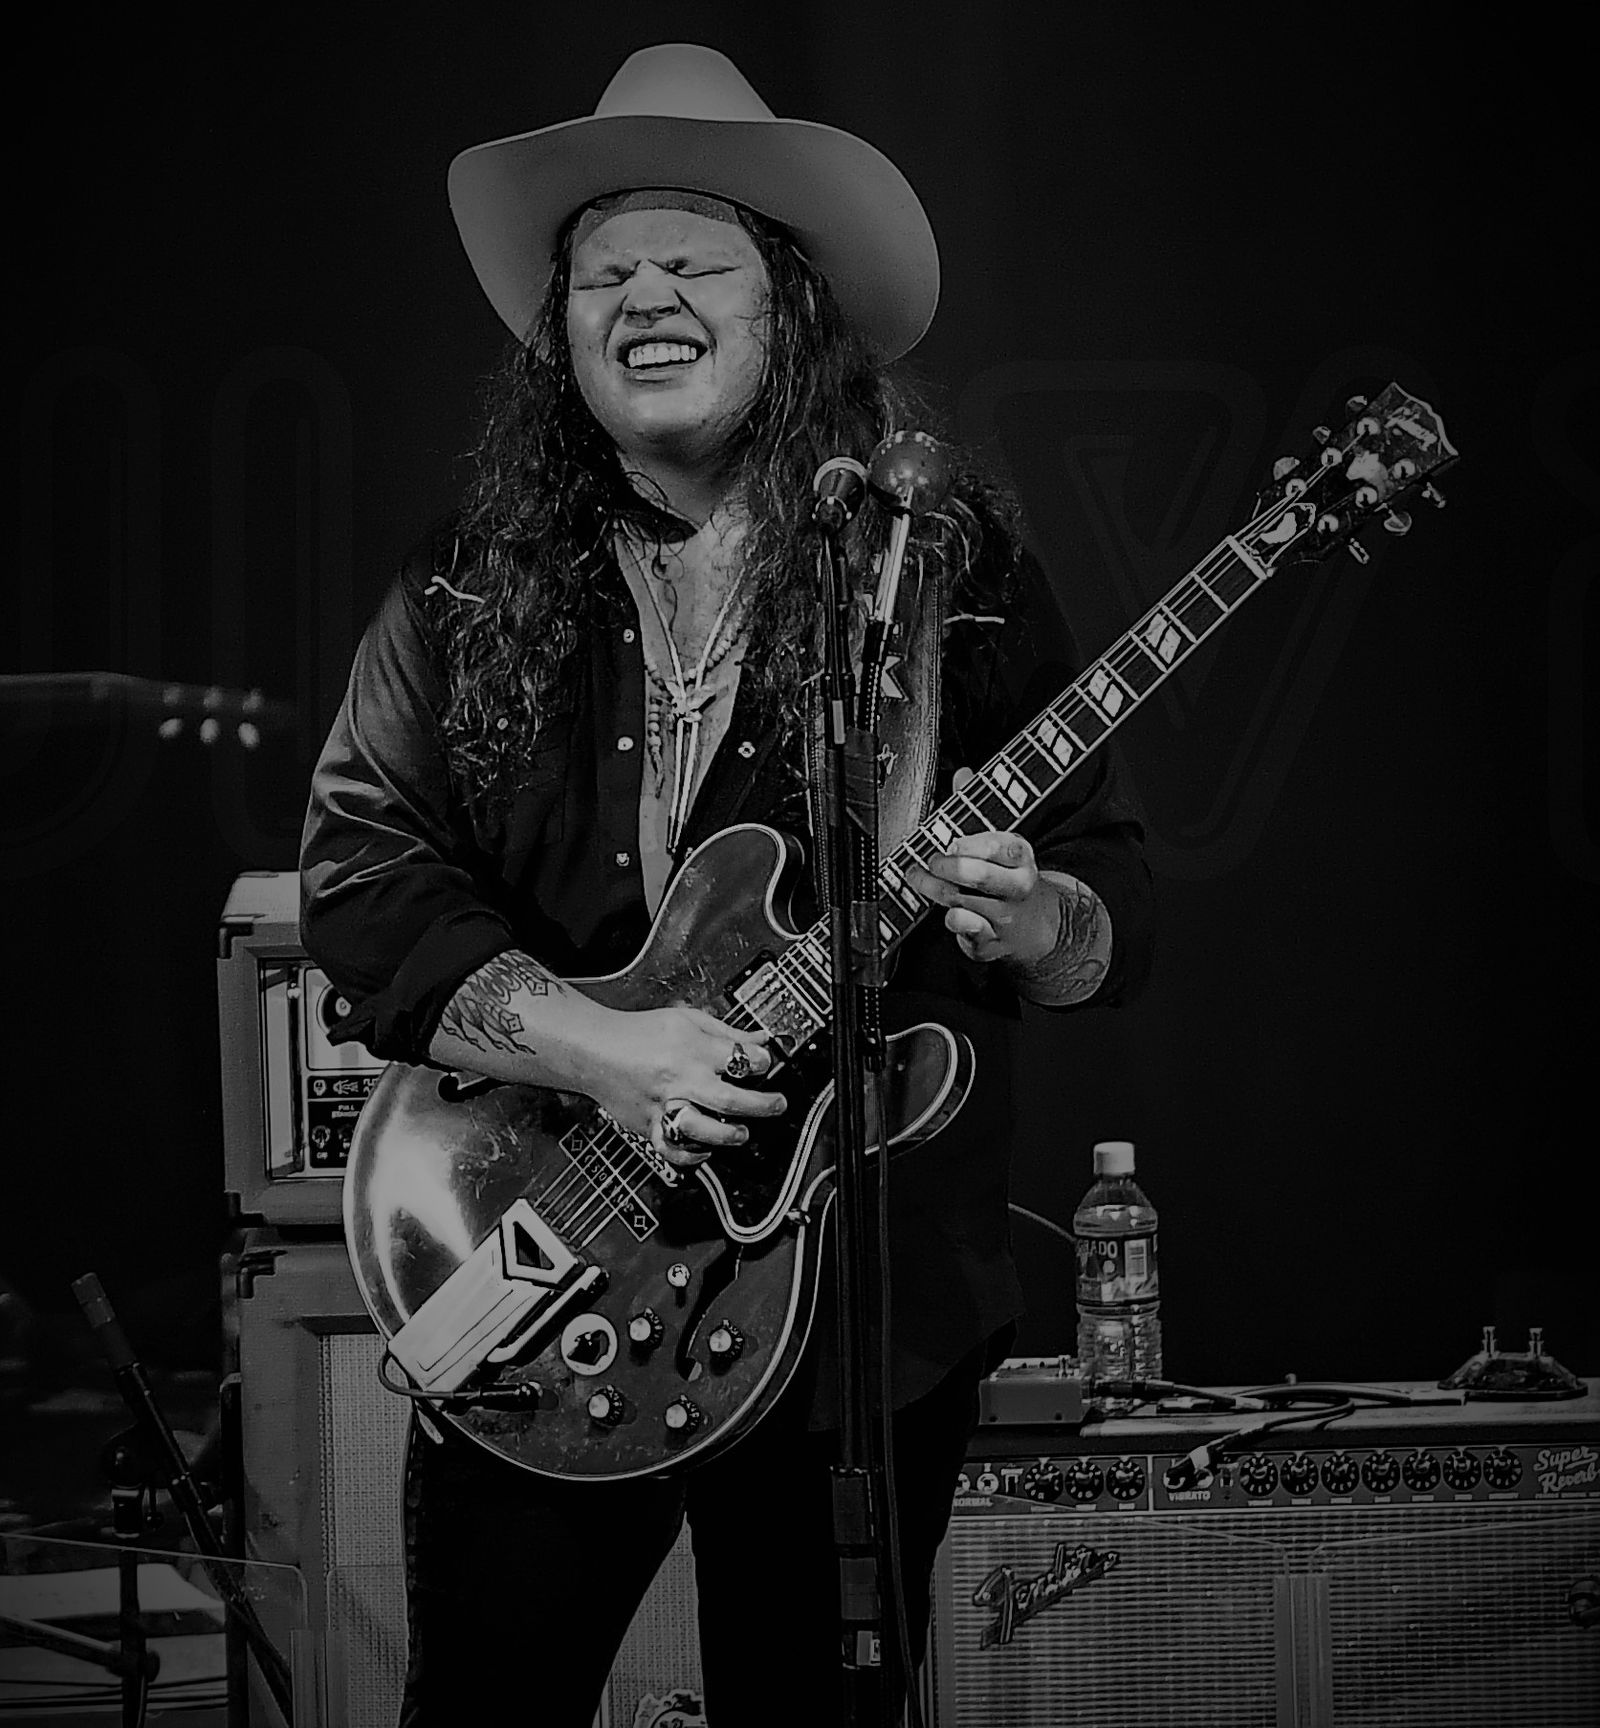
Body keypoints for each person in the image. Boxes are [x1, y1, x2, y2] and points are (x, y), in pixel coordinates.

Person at [300, 42, 1153, 1728]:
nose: (646, 301)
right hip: (550, 1257)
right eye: (604, 274)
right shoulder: (470, 586)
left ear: (790, 309)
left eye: (694, 263)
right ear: (564, 333)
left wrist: (1033, 915)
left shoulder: (945, 573)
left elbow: (1102, 903)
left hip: (859, 1317)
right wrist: (598, 1047)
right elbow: (363, 874)